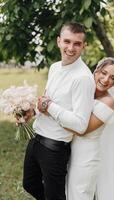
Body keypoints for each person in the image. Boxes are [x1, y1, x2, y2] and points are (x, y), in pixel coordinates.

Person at [22, 22, 95, 200]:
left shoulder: (83, 78)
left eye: (77, 43)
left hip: (54, 148)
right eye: (67, 41)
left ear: (84, 46)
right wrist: (33, 112)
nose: (71, 48)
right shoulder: (55, 67)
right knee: (29, 184)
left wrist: (51, 108)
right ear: (58, 41)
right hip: (36, 139)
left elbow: (80, 124)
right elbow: (46, 101)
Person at [43, 57, 114, 200]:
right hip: (68, 151)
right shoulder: (84, 90)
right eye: (103, 72)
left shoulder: (108, 103)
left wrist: (51, 111)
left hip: (86, 159)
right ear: (96, 71)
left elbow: (81, 129)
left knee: (79, 195)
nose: (106, 79)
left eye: (112, 78)